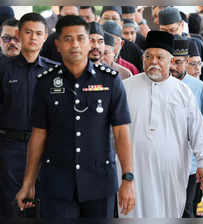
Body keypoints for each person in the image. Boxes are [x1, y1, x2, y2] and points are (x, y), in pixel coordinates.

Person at [16, 15, 135, 218]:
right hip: (56, 184)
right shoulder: (45, 83)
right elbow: (38, 135)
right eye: (68, 39)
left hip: (99, 183)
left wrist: (128, 179)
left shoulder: (110, 81)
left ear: (89, 42)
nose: (75, 45)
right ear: (58, 44)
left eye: (80, 38)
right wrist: (28, 183)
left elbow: (121, 132)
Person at [118, 30, 203, 218]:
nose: (153, 61)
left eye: (159, 57)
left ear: (171, 61)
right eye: (148, 56)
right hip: (134, 171)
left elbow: (197, 129)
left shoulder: (183, 92)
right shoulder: (126, 88)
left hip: (171, 172)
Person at [0, 12, 58, 218]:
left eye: (38, 33)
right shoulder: (3, 69)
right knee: (11, 211)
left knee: (43, 210)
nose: (33, 37)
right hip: (10, 150)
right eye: (28, 32)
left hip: (46, 151)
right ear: (19, 34)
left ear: (45, 36)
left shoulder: (56, 72)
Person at [170, 37, 203, 218]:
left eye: (180, 62)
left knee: (187, 208)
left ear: (186, 61)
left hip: (190, 163)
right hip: (165, 163)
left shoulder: (200, 88)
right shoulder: (159, 86)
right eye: (172, 61)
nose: (174, 67)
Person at [158, 6, 203, 114]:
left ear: (181, 25)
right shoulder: (157, 49)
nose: (168, 35)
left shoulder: (195, 44)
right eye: (164, 31)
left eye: (172, 30)